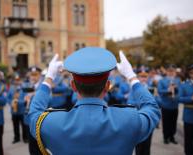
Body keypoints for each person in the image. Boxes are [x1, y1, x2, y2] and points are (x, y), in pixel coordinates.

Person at [28, 47, 160, 155]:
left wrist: (49, 77)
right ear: (107, 86)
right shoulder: (129, 120)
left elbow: (34, 113)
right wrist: (132, 77)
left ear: (73, 86)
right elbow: (152, 108)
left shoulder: (51, 123)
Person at [158, 64, 181, 144]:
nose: (171, 73)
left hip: (174, 105)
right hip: (166, 105)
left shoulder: (178, 80)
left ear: (175, 72)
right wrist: (168, 90)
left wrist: (176, 88)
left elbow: (180, 91)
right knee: (166, 122)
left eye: (173, 71)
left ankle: (172, 137)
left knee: (173, 122)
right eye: (169, 71)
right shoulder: (162, 80)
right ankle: (165, 137)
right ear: (167, 72)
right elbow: (160, 91)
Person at [6, 74, 28, 143]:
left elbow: (26, 99)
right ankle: (16, 137)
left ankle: (25, 138)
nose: (17, 81)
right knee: (15, 125)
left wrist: (19, 102)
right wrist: (11, 102)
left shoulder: (24, 88)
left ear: (21, 80)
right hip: (14, 111)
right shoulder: (11, 88)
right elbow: (8, 98)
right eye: (16, 80)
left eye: (18, 80)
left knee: (24, 125)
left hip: (22, 110)